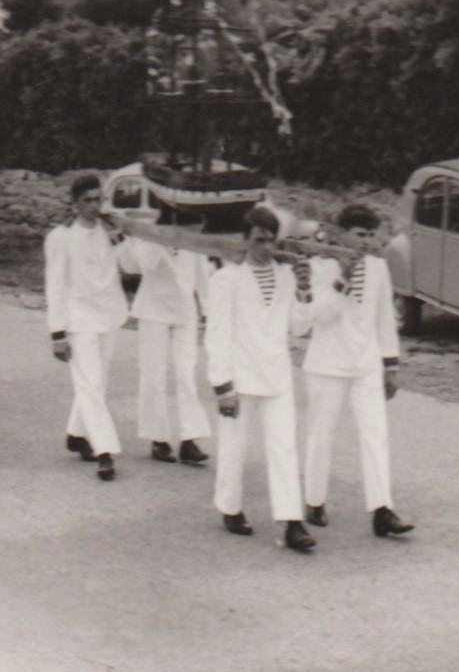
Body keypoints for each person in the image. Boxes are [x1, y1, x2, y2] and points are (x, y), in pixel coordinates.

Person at [205, 206, 316, 552]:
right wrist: (223, 386)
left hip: (277, 375)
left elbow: (299, 327)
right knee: (234, 447)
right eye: (259, 241)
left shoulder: (286, 275)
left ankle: (291, 522)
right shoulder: (226, 279)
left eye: (271, 241)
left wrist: (304, 290)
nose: (266, 248)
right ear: (245, 240)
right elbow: (217, 334)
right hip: (240, 377)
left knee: (283, 448)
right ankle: (230, 506)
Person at [301, 203, 414, 539]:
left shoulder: (378, 268)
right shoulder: (320, 264)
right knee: (322, 434)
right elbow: (319, 318)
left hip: (365, 365)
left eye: (370, 236)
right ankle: (314, 499)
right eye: (359, 235)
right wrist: (342, 279)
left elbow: (383, 320)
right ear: (341, 234)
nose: (365, 242)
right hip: (327, 364)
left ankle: (382, 510)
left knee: (375, 436)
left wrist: (390, 365)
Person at [44, 173, 128, 482]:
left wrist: (121, 237)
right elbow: (55, 287)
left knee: (96, 382)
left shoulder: (109, 231)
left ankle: (76, 434)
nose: (94, 206)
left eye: (98, 200)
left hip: (109, 315)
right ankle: (104, 451)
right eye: (87, 201)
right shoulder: (61, 237)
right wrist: (57, 333)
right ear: (75, 203)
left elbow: (131, 267)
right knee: (91, 384)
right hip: (79, 322)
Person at [118, 233, 212, 465]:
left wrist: (209, 312)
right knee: (153, 374)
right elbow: (141, 265)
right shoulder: (149, 234)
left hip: (185, 311)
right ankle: (158, 438)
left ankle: (189, 439)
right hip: (153, 310)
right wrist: (157, 238)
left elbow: (202, 276)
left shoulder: (192, 235)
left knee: (186, 373)